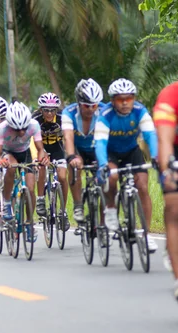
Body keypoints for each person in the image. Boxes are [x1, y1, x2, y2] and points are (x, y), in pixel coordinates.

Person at [94, 78, 158, 252]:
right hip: (110, 152)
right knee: (112, 176)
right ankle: (111, 209)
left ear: (134, 98)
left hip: (131, 151)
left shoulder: (139, 111)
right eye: (120, 99)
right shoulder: (105, 115)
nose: (124, 103)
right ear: (113, 100)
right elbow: (99, 143)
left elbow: (150, 135)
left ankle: (146, 234)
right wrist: (102, 165)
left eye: (129, 98)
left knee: (143, 187)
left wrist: (156, 156)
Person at [154, 57, 178, 304]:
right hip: (176, 152)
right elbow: (165, 141)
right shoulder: (170, 97)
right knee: (176, 208)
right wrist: (168, 170)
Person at [0, 102, 49, 242]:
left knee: (30, 189)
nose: (22, 132)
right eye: (17, 130)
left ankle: (30, 223)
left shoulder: (34, 125)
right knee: (11, 168)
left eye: (24, 128)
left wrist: (41, 157)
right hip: (8, 152)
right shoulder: (2, 128)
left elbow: (40, 148)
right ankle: (6, 204)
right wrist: (1, 161)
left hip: (25, 153)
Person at [63, 78, 106, 225]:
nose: (91, 109)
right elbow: (68, 138)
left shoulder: (105, 111)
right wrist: (71, 157)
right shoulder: (68, 113)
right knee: (74, 167)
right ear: (79, 103)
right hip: (78, 149)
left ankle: (103, 224)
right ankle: (78, 205)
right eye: (86, 106)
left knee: (105, 183)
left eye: (94, 105)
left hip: (97, 148)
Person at [32, 93, 69, 229]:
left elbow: (68, 137)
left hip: (58, 149)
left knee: (63, 177)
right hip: (40, 147)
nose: (49, 113)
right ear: (41, 110)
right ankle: (40, 199)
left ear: (56, 110)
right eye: (46, 110)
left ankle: (63, 212)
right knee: (41, 166)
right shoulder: (35, 119)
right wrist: (38, 155)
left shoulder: (62, 118)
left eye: (52, 110)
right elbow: (29, 138)